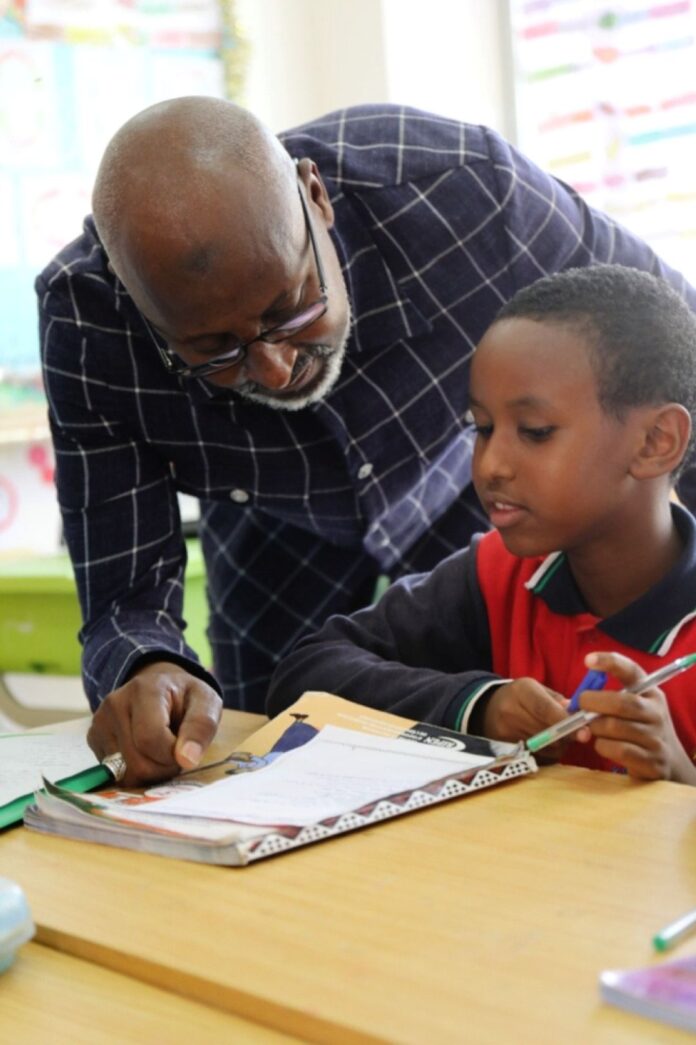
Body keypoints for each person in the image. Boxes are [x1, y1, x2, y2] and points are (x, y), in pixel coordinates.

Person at [37, 98, 696, 786]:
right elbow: (128, 597)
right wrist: (147, 670)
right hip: (275, 525)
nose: (275, 369)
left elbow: (675, 362)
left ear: (316, 196)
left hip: (471, 503)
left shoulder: (469, 192)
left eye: (291, 307)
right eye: (214, 350)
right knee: (267, 755)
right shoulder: (88, 321)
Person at [268, 265, 696, 784]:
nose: (490, 465)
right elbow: (306, 674)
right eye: (483, 428)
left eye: (535, 432)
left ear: (655, 442)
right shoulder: (500, 577)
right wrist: (477, 705)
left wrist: (680, 775)